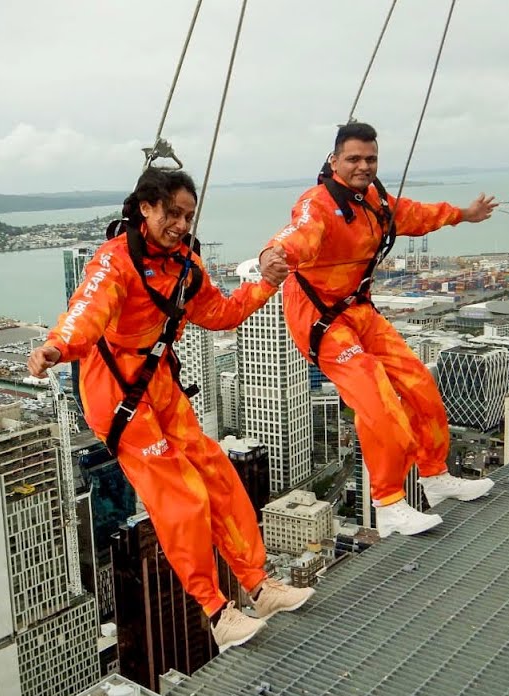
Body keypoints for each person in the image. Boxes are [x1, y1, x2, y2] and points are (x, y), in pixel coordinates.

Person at [28, 167, 312, 650]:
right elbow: (85, 311)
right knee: (181, 497)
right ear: (145, 208)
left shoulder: (184, 266)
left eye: (188, 215)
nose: (181, 224)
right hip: (116, 392)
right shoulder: (113, 263)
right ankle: (218, 612)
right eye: (172, 213)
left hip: (159, 383)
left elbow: (219, 314)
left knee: (217, 475)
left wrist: (264, 283)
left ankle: (259, 586)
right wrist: (56, 347)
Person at [259, 122, 497, 536]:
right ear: (334, 161)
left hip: (359, 311)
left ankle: (435, 476)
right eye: (353, 158)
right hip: (320, 320)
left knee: (420, 383)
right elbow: (294, 235)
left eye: (370, 159)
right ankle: (388, 503)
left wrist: (464, 215)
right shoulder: (318, 206)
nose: (363, 166)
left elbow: (419, 215)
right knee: (377, 400)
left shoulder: (376, 203)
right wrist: (272, 255)